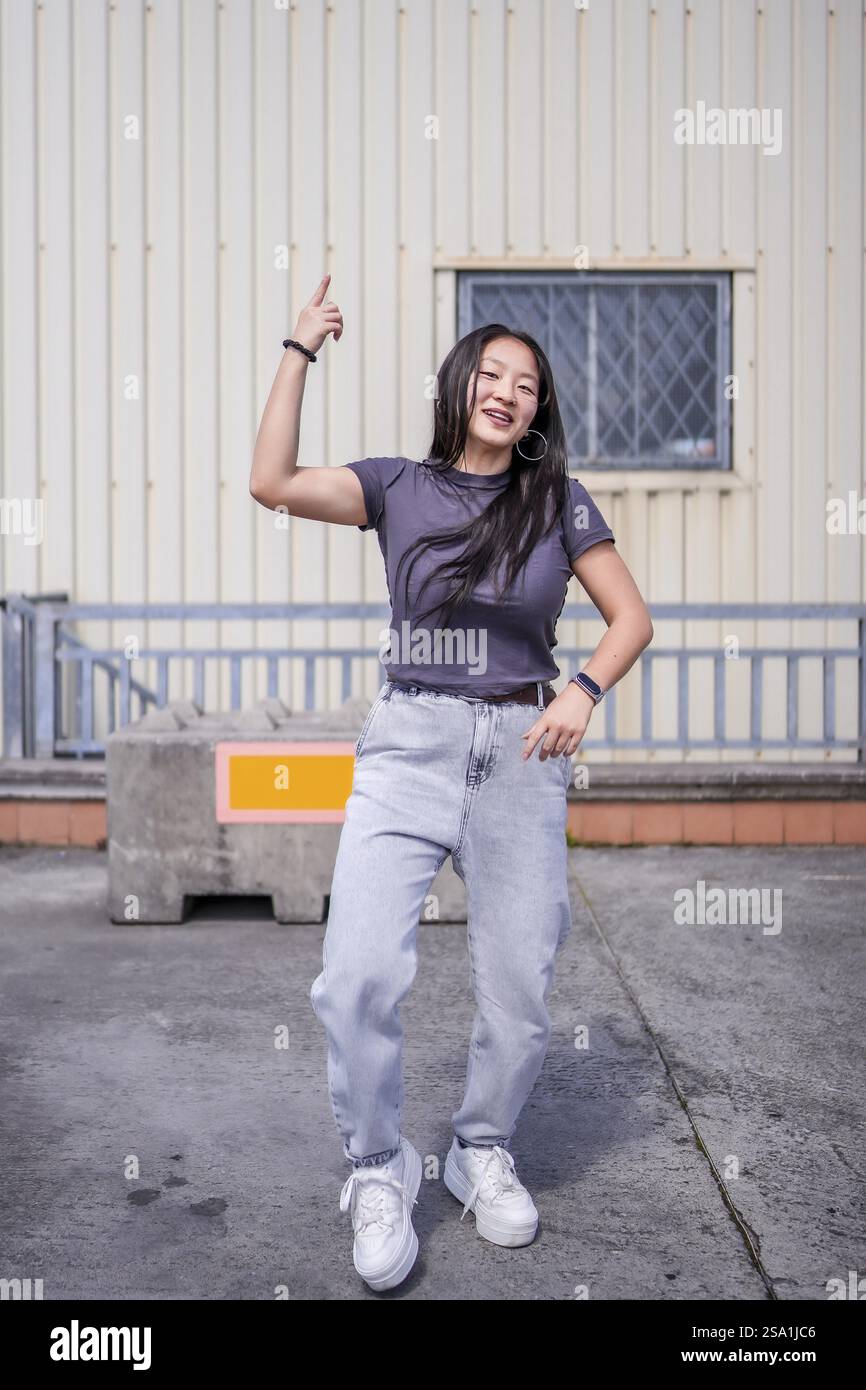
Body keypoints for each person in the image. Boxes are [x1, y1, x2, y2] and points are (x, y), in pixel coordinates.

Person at [250, 274, 654, 1292]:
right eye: (491, 369)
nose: (506, 389)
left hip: (521, 750)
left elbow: (629, 620)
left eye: (526, 383)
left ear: (535, 412)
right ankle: (378, 1164)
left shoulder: (557, 500)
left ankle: (479, 1149)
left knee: (520, 993)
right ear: (460, 382)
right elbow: (271, 480)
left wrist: (584, 690)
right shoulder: (396, 485)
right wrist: (297, 349)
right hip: (408, 744)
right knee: (354, 977)